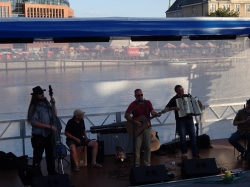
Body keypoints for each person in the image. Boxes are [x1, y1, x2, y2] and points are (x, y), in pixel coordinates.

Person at [124, 89, 161, 167]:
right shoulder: (133, 105)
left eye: (141, 95)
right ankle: (136, 165)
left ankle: (147, 164)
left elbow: (152, 111)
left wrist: (156, 114)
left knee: (147, 147)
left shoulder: (147, 103)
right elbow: (126, 115)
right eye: (138, 95)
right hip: (137, 129)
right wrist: (135, 121)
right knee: (137, 148)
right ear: (135, 96)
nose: (140, 97)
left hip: (147, 128)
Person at [27, 86, 58, 175]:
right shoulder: (34, 107)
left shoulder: (46, 104)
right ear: (35, 95)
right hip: (39, 136)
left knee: (50, 155)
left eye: (43, 93)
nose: (42, 95)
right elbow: (33, 122)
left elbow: (54, 115)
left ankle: (52, 172)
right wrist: (48, 126)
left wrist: (54, 104)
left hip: (48, 135)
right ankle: (37, 174)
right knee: (38, 156)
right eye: (40, 94)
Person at [165, 85, 202, 159]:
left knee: (193, 136)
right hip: (180, 120)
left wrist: (198, 103)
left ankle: (195, 152)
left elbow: (194, 104)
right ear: (176, 91)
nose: (182, 92)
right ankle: (184, 153)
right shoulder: (174, 99)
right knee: (183, 137)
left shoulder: (187, 96)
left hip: (189, 118)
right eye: (180, 91)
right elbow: (166, 108)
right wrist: (173, 108)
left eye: (182, 90)